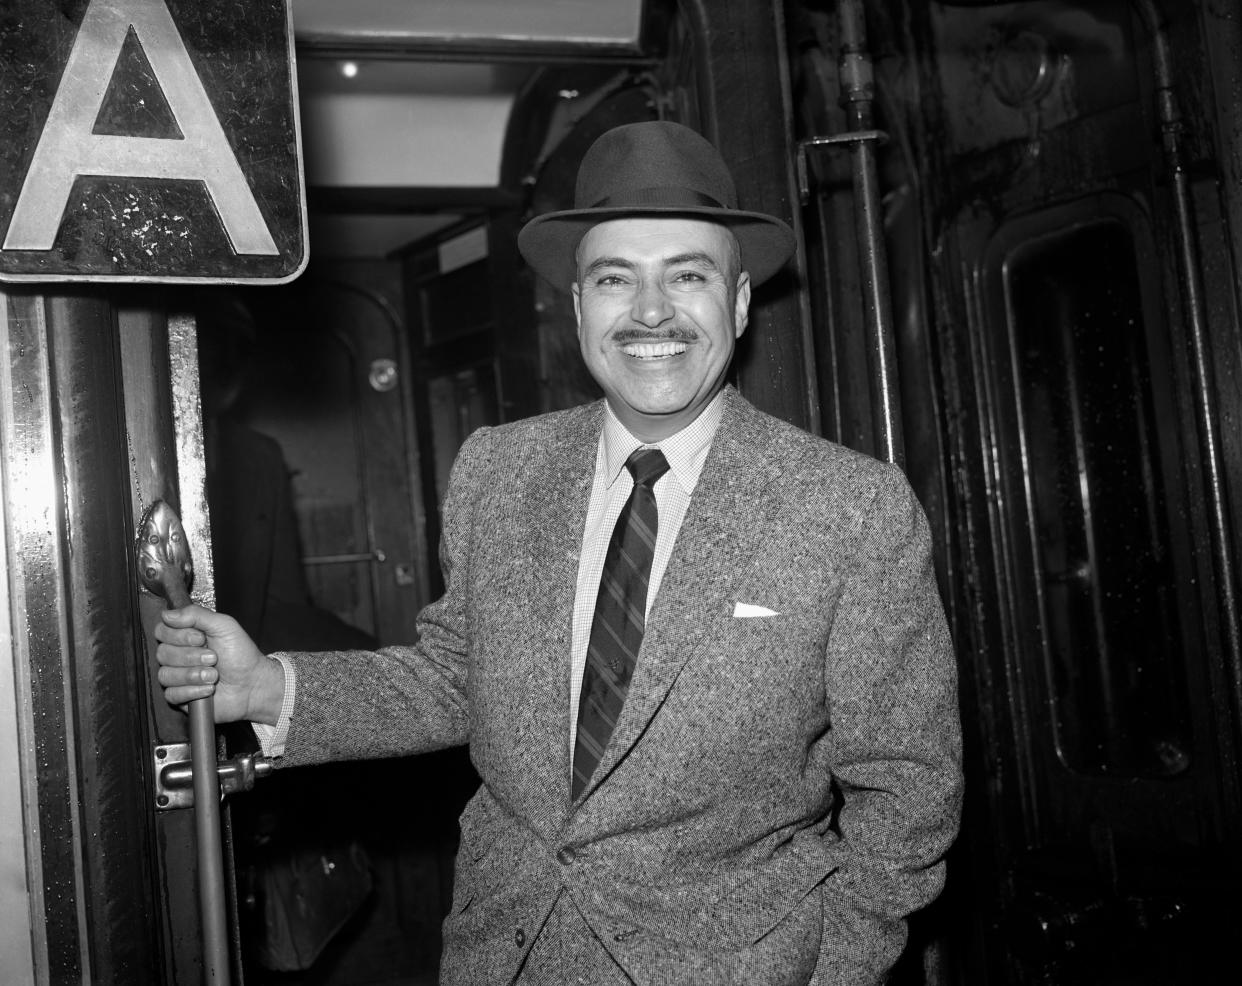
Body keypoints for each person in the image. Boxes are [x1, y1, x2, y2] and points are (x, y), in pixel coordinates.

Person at [156, 120, 963, 985]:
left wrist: (833, 968)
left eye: (686, 276)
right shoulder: (500, 469)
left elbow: (909, 788)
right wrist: (265, 688)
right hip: (508, 959)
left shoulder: (847, 508)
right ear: (579, 307)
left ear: (736, 303)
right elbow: (456, 680)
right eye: (617, 279)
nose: (651, 312)